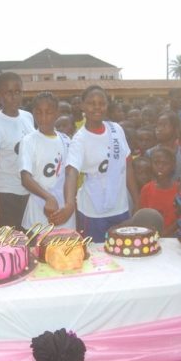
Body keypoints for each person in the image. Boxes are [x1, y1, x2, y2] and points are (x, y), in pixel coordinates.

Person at [64, 85, 138, 243]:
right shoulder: (80, 139)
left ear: (107, 105)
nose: (97, 107)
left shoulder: (116, 130)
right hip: (93, 211)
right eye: (91, 103)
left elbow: (128, 167)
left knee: (123, 251)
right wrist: (70, 204)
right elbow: (71, 172)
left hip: (120, 208)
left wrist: (137, 202)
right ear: (83, 105)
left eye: (101, 103)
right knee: (96, 259)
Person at [0, 72, 35, 229]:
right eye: (8, 93)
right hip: (6, 194)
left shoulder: (28, 117)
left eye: (18, 92)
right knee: (11, 241)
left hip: (28, 191)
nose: (14, 97)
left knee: (30, 239)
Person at [20, 92, 75, 231]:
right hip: (38, 216)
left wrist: (70, 204)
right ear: (33, 113)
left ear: (57, 113)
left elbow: (70, 176)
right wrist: (48, 197)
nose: (43, 118)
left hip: (64, 213)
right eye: (38, 112)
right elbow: (25, 178)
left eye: (49, 112)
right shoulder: (29, 141)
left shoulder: (67, 141)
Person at [140, 147, 178, 236]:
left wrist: (164, 234)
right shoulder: (146, 189)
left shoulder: (180, 190)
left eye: (165, 163)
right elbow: (141, 215)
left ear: (173, 166)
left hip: (173, 238)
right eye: (156, 163)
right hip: (150, 236)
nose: (160, 167)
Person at [146, 111, 181, 181]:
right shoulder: (150, 153)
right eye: (157, 125)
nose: (159, 129)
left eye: (164, 125)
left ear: (176, 129)